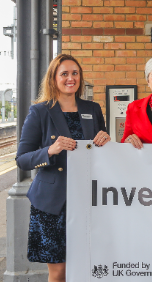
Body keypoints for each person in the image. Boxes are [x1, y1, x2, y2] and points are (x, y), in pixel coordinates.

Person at [16, 54, 110, 282]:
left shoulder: (93, 108)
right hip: (52, 203)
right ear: (53, 78)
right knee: (58, 272)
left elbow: (100, 152)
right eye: (64, 74)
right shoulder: (40, 111)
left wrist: (105, 140)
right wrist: (50, 150)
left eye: (75, 73)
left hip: (88, 200)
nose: (71, 78)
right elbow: (22, 159)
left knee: (87, 266)